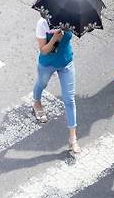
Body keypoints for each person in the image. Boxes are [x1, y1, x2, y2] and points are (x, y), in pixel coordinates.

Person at [32, 14, 80, 154]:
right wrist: (54, 39)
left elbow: (73, 35)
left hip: (66, 63)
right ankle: (36, 102)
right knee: (42, 83)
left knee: (69, 99)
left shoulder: (68, 18)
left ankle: (73, 138)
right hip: (47, 64)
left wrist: (67, 28)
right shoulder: (42, 24)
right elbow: (43, 50)